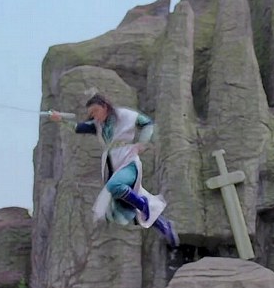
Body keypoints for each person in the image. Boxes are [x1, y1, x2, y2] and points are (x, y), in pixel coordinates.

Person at [50, 94, 179, 248]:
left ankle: (144, 206)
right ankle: (164, 226)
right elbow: (78, 127)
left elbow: (147, 123)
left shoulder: (124, 115)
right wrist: (60, 119)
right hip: (113, 166)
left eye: (95, 111)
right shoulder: (98, 125)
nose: (94, 116)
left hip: (128, 161)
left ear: (104, 106)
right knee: (128, 210)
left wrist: (142, 143)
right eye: (91, 114)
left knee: (115, 186)